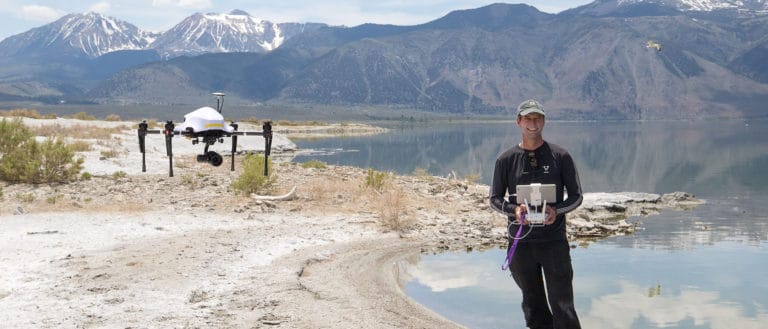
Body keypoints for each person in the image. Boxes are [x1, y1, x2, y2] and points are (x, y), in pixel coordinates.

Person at [489, 99, 583, 329]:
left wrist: (555, 210)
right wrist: (514, 210)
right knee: (533, 305)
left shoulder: (561, 156)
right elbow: (494, 199)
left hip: (554, 243)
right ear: (518, 121)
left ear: (544, 121)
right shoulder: (505, 159)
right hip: (521, 244)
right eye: (528, 118)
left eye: (537, 118)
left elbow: (577, 196)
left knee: (563, 305)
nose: (533, 123)